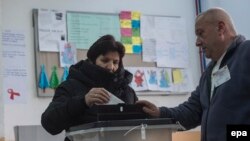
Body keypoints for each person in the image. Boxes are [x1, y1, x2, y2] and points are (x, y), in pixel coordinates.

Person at [136, 7, 250, 141]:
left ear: (220, 28)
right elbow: (192, 112)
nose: (197, 42)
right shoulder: (210, 71)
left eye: (201, 33)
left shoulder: (246, 53)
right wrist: (160, 113)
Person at [41, 35, 138, 141]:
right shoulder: (71, 86)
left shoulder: (127, 91)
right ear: (92, 61)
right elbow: (49, 124)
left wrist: (146, 113)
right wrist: (83, 102)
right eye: (105, 60)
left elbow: (138, 129)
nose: (111, 67)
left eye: (115, 62)